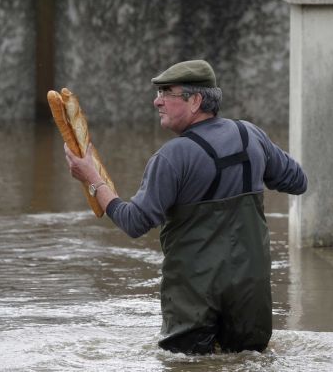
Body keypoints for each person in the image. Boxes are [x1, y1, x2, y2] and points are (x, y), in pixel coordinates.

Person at [64, 59, 307, 354]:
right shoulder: (251, 136)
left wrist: (92, 181)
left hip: (194, 300)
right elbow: (298, 181)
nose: (157, 101)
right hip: (250, 294)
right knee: (247, 361)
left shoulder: (172, 157)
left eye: (167, 93)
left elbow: (134, 223)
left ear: (195, 101)